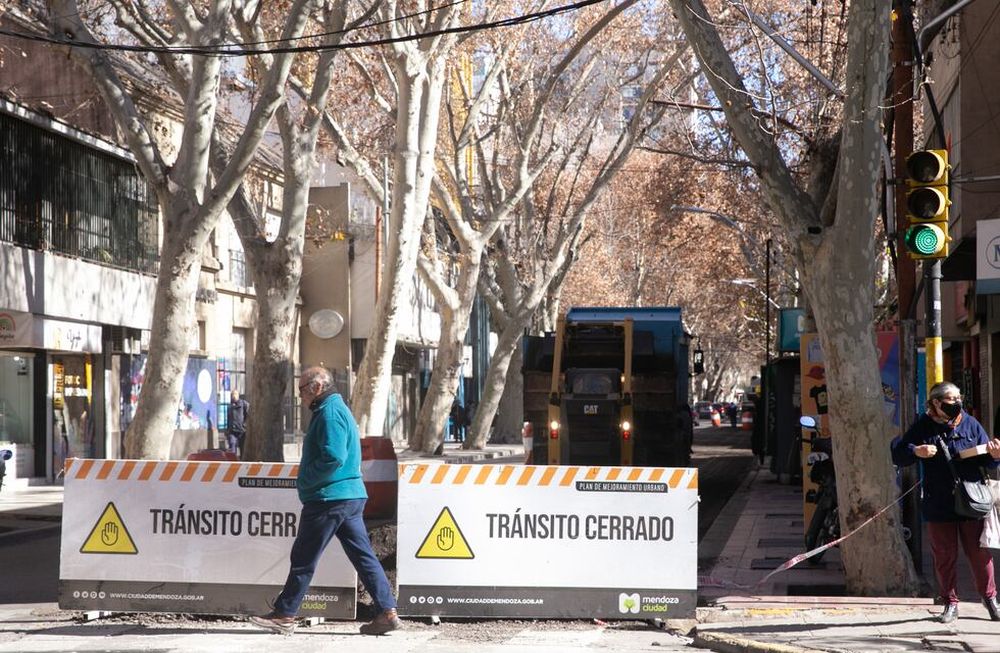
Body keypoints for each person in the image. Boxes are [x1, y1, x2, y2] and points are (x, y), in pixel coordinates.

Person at [249, 366, 400, 636]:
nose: (301, 397)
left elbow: (333, 457)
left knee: (304, 557)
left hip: (329, 498)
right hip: (348, 497)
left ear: (317, 387)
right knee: (363, 557)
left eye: (302, 390)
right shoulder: (334, 409)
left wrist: (307, 479)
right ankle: (387, 611)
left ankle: (285, 613)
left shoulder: (329, 413)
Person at [890, 381, 1000, 623]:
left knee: (980, 554)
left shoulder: (970, 424)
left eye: (959, 397)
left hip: (972, 501)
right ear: (937, 403)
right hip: (938, 502)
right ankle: (950, 602)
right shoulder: (923, 425)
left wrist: (995, 456)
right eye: (952, 399)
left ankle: (990, 599)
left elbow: (988, 463)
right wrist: (916, 451)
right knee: (944, 556)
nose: (958, 403)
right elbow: (898, 453)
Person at [227, 390, 249, 458]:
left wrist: (244, 425)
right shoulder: (230, 406)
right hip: (232, 431)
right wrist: (228, 429)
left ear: (238, 395)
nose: (234, 396)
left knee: (242, 448)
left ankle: (242, 461)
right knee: (232, 445)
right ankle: (233, 462)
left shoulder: (243, 404)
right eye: (232, 394)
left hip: (241, 431)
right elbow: (228, 418)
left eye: (235, 394)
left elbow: (247, 414)